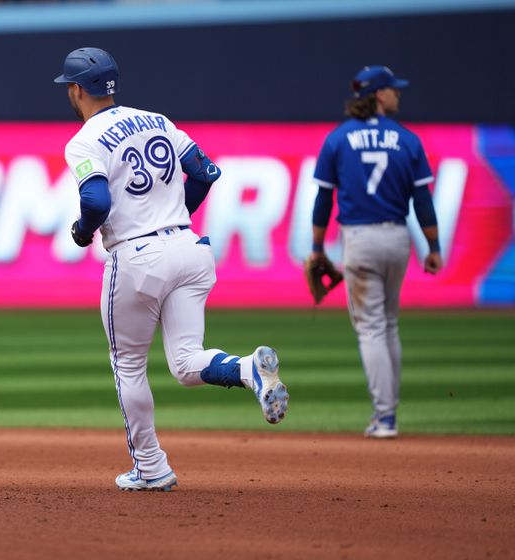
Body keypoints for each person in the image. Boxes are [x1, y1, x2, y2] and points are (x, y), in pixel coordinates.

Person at [54, 47, 289, 491]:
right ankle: (246, 369)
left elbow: (96, 201)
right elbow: (205, 171)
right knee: (184, 362)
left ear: (74, 90)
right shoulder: (157, 120)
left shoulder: (83, 141)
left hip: (138, 258)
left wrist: (84, 233)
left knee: (128, 365)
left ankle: (151, 465)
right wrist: (176, 212)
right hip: (189, 247)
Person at [310, 66, 443, 439]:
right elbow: (423, 200)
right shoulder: (407, 140)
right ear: (380, 95)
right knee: (388, 323)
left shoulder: (338, 139)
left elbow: (324, 199)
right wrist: (432, 246)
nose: (398, 94)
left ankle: (384, 417)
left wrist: (317, 248)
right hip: (398, 237)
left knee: (370, 327)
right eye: (393, 90)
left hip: (360, 238)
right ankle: (389, 412)